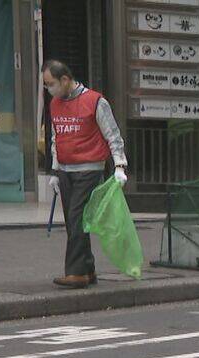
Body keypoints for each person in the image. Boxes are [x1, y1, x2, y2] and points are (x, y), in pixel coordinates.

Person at [42, 59, 128, 290]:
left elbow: (113, 135)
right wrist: (55, 170)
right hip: (66, 170)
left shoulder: (95, 101)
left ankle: (77, 273)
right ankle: (87, 268)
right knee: (75, 222)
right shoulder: (55, 104)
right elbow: (55, 138)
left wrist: (120, 165)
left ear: (65, 80)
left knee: (77, 218)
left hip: (89, 169)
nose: (49, 89)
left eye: (51, 84)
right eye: (46, 85)